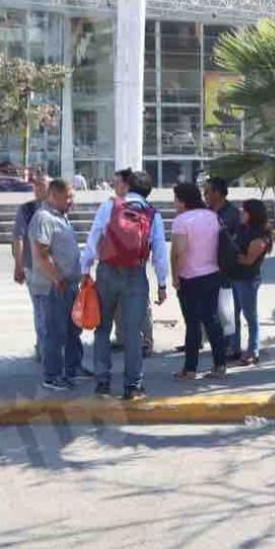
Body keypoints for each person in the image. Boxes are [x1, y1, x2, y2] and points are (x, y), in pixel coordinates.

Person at [81, 169, 168, 400]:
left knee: (103, 327)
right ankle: (133, 385)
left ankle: (102, 383)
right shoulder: (152, 213)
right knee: (132, 332)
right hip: (135, 274)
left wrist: (85, 270)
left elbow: (94, 239)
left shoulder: (109, 207)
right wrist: (161, 283)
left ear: (127, 187)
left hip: (107, 272)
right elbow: (159, 252)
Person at [28, 178, 85, 390]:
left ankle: (73, 369)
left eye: (72, 196)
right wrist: (57, 278)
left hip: (68, 284)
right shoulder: (43, 218)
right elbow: (42, 254)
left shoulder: (61, 217)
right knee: (55, 332)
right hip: (52, 286)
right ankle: (52, 376)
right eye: (67, 197)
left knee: (72, 330)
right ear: (53, 195)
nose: (71, 200)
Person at [170, 181, 226, 380]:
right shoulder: (213, 216)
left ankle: (190, 369)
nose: (174, 202)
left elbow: (179, 251)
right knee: (212, 320)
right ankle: (220, 365)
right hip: (212, 273)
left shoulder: (182, 220)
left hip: (190, 277)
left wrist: (175, 275)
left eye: (176, 198)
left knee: (192, 323)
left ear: (183, 201)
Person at [106, 169, 155, 357]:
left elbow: (155, 241)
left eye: (117, 182)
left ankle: (145, 341)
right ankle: (122, 338)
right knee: (118, 303)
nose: (114, 186)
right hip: (115, 263)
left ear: (126, 185)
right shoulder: (112, 206)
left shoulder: (144, 208)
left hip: (136, 264)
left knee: (141, 304)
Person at [11, 171, 50, 362]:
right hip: (33, 268)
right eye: (36, 185)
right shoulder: (27, 210)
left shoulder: (56, 208)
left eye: (42, 184)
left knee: (52, 311)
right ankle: (43, 350)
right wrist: (18, 265)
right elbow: (18, 238)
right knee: (41, 309)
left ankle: (47, 348)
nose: (38, 188)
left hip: (55, 269)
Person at [231, 199, 274, 365]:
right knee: (232, 314)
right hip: (234, 276)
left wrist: (233, 257)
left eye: (245, 211)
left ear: (253, 214)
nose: (242, 214)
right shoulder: (242, 228)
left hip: (248, 279)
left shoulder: (260, 236)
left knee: (250, 315)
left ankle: (252, 349)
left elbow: (248, 260)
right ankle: (234, 347)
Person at [203, 176, 241, 360]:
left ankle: (232, 346)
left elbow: (236, 242)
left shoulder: (232, 214)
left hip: (227, 269)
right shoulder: (205, 212)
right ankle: (215, 342)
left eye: (208, 191)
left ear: (217, 193)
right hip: (207, 267)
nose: (205, 195)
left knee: (228, 309)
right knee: (211, 308)